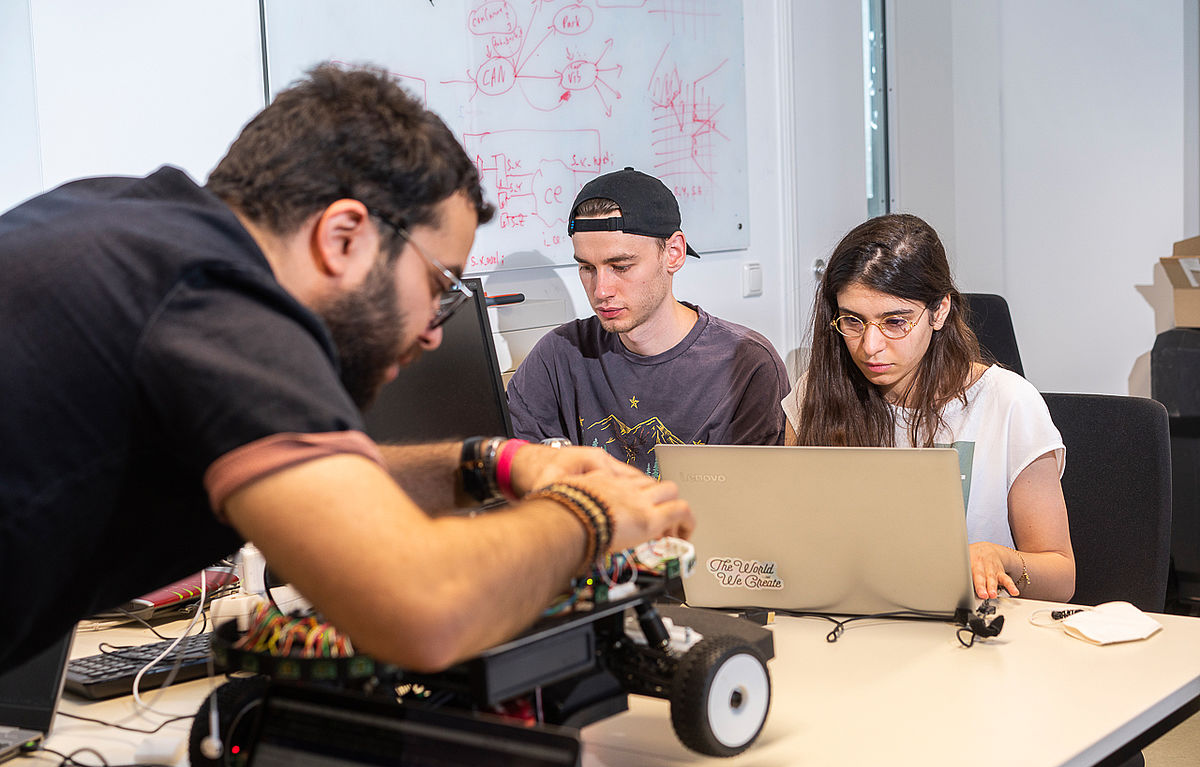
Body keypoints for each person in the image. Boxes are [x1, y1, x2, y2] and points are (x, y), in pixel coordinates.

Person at [0, 64, 693, 673]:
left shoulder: (131, 224)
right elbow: (422, 609)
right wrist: (592, 516)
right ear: (343, 237)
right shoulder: (226, 308)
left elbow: (325, 492)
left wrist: (496, 464)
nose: (433, 332)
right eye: (438, 284)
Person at [783, 213, 1074, 602]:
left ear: (939, 311)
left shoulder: (1008, 404)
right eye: (853, 321)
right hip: (847, 617)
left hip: (968, 627)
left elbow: (1061, 578)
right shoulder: (816, 392)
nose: (870, 346)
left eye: (895, 322)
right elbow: (787, 535)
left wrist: (1000, 558)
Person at [505, 167, 790, 476]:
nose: (601, 291)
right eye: (587, 268)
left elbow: (755, 496)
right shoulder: (560, 354)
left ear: (673, 253)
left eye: (621, 266)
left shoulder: (746, 366)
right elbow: (511, 466)